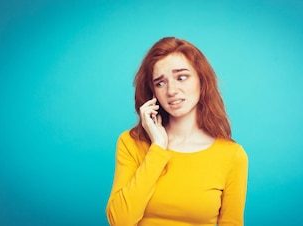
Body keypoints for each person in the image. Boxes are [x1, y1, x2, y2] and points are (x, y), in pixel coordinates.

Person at [105, 37, 248, 226]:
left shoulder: (232, 155)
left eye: (181, 77)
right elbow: (119, 221)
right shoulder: (131, 142)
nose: (171, 90)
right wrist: (158, 148)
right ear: (153, 93)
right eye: (160, 83)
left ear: (201, 80)